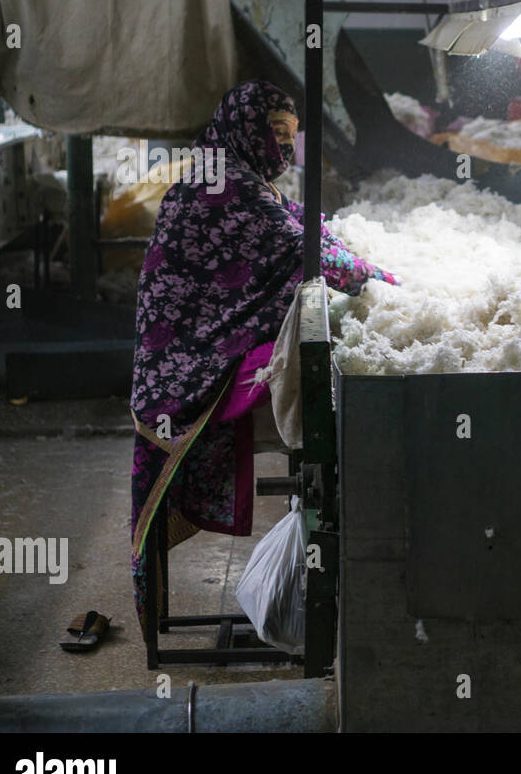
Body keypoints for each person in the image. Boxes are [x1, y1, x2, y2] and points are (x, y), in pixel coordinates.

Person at [128, 79, 396, 637]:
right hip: (184, 364)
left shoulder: (230, 170)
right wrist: (387, 282)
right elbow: (301, 249)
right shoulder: (222, 185)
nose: (282, 149)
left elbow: (301, 221)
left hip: (191, 341)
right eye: (274, 134)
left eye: (289, 137)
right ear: (245, 129)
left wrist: (351, 251)